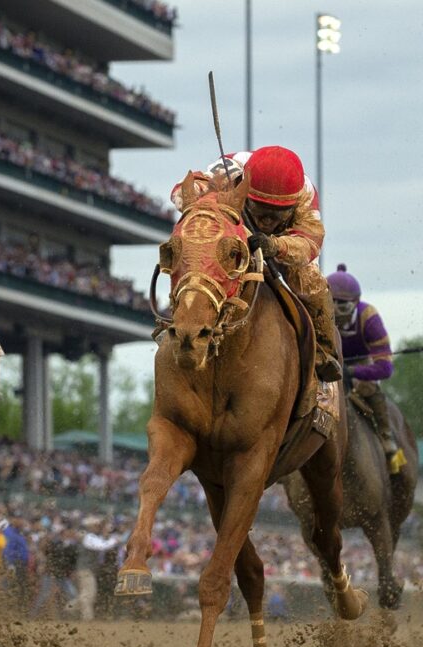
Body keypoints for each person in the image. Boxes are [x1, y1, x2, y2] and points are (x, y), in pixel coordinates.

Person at [171, 146, 342, 382]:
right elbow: (183, 189)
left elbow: (310, 243)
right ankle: (179, 320)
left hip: (283, 244)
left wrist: (275, 245)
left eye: (277, 214)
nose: (267, 220)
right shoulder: (229, 171)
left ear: (293, 205)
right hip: (234, 235)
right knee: (198, 257)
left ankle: (324, 350)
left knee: (312, 282)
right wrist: (195, 197)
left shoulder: (305, 193)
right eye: (260, 210)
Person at [327, 263, 399, 461]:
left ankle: (386, 436)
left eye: (342, 306)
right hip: (329, 361)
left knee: (368, 388)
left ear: (356, 302)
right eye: (330, 303)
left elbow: (385, 368)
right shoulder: (317, 312)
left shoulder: (369, 318)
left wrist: (352, 371)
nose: (335, 312)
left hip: (360, 364)